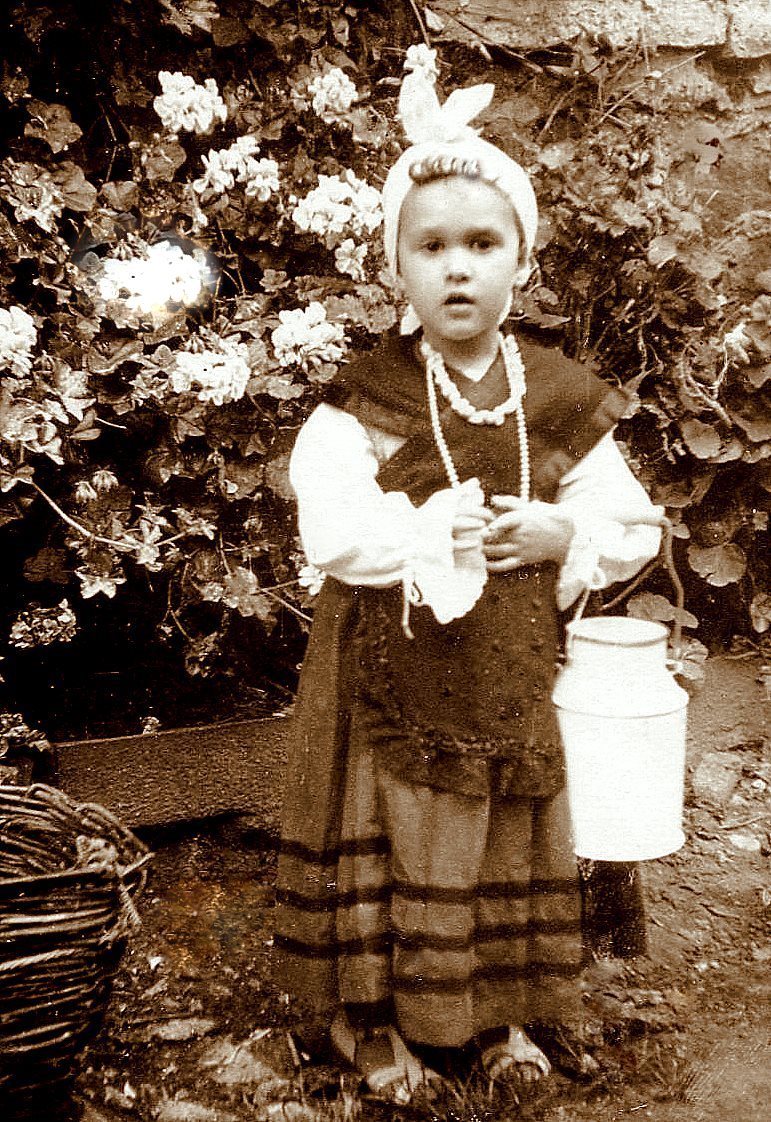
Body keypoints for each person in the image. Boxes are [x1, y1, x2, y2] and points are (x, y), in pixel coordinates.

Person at [272, 59, 662, 1103]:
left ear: (521, 262)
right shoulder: (367, 399)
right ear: (394, 265)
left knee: (501, 831)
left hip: (510, 669)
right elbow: (332, 528)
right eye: (431, 246)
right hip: (386, 670)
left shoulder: (558, 397)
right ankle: (370, 1020)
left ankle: (497, 1016)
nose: (457, 270)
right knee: (391, 826)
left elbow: (630, 524)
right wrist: (424, 531)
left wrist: (561, 530)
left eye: (483, 245)